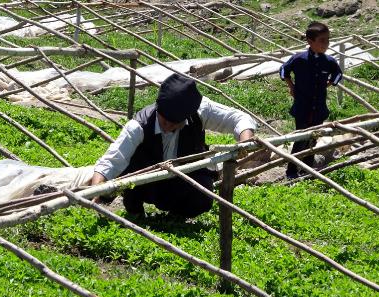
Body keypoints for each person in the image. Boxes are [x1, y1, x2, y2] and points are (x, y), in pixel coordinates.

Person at [91, 73, 256, 218]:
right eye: (164, 121)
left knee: (202, 198)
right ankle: (134, 206)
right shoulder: (139, 126)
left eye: (174, 123)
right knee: (127, 172)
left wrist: (245, 142)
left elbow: (238, 118)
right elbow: (112, 159)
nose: (168, 126)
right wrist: (97, 190)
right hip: (144, 179)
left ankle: (174, 215)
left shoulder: (199, 111)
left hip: (182, 174)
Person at [279, 21, 342, 179]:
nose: (326, 44)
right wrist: (291, 86)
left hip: (318, 108)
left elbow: (338, 75)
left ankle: (307, 169)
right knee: (300, 138)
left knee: (313, 138)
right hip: (302, 107)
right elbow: (283, 70)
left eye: (327, 40)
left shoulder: (328, 61)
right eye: (322, 40)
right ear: (310, 41)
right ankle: (291, 171)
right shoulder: (299, 59)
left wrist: (327, 85)